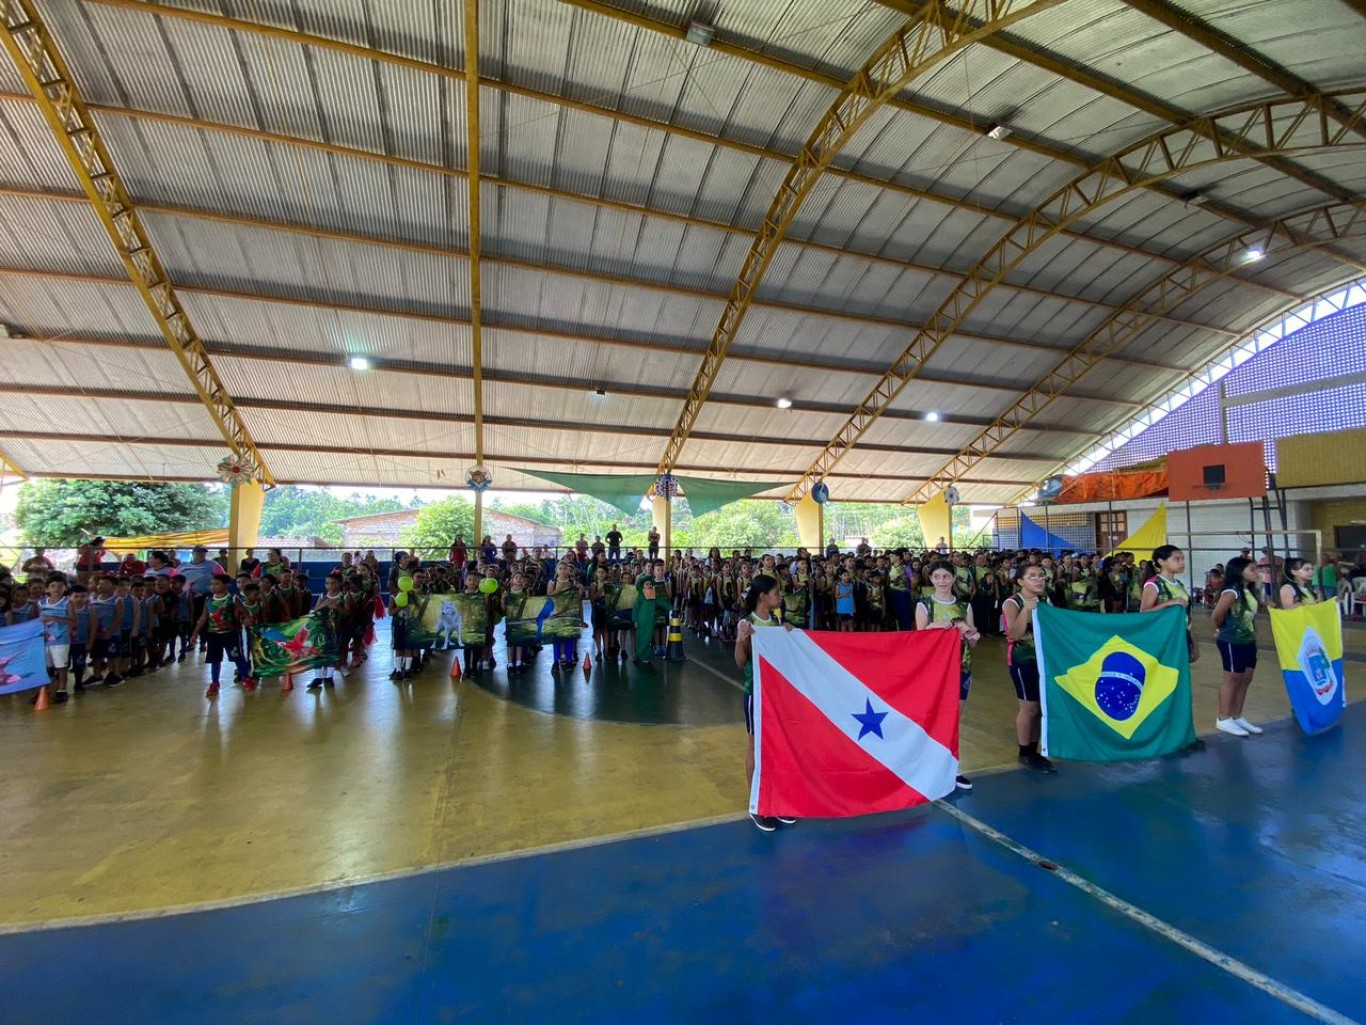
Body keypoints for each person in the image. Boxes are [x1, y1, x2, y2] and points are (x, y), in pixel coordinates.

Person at [734, 574, 795, 833]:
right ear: (763, 597)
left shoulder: (778, 621)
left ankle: (777, 799)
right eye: (776, 593)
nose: (779, 597)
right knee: (755, 745)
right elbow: (739, 662)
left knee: (777, 746)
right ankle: (756, 804)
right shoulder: (747, 623)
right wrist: (741, 639)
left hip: (776, 694)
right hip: (755, 693)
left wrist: (790, 635)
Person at [916, 560, 979, 792]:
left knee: (955, 719)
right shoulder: (924, 605)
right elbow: (918, 639)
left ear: (953, 578)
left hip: (962, 667)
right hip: (935, 672)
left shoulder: (964, 606)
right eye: (937, 577)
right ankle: (929, 766)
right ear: (931, 579)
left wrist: (971, 635)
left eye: (946, 576)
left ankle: (955, 768)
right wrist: (936, 626)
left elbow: (972, 640)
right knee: (935, 718)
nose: (942, 581)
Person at [1002, 566, 1056, 773]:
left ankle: (1035, 751)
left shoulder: (1046, 600)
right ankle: (1024, 752)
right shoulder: (1012, 602)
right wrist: (1026, 609)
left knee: (1041, 708)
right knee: (1029, 708)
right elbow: (1013, 634)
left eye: (1041, 576)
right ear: (1020, 582)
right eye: (1032, 576)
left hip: (1043, 660)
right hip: (1023, 660)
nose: (1038, 580)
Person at [1212, 557, 1263, 738]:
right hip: (1231, 640)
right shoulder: (1232, 591)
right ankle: (1223, 718)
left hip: (1248, 640)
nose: (1256, 572)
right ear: (1239, 571)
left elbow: (1249, 616)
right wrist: (1223, 629)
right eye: (1252, 569)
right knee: (1232, 677)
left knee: (1246, 677)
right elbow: (1217, 614)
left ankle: (1237, 715)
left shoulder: (1248, 591)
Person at [188, 575, 254, 698]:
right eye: (211, 584)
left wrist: (246, 620)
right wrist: (195, 633)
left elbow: (245, 612)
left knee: (237, 657)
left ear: (226, 585)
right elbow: (203, 617)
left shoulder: (233, 599)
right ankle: (214, 682)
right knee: (215, 660)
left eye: (216, 584)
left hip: (231, 633)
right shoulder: (208, 600)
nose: (213, 586)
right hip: (213, 635)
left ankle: (246, 678)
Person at [1139, 545, 1199, 663]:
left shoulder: (1179, 584)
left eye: (1182, 559)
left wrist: (1194, 643)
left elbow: (1187, 617)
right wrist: (1169, 603)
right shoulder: (1154, 584)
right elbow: (1144, 613)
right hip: (1163, 636)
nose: (1182, 562)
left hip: (1182, 635)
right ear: (1161, 561)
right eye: (1177, 559)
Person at [37, 574, 75, 705]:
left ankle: (62, 689)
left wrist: (54, 618)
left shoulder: (67, 602)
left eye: (60, 586)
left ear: (65, 588)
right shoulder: (41, 603)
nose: (56, 589)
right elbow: (38, 621)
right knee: (45, 667)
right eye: (53, 586)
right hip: (44, 640)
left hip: (61, 640)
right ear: (47, 589)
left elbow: (73, 622)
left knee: (61, 666)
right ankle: (44, 689)